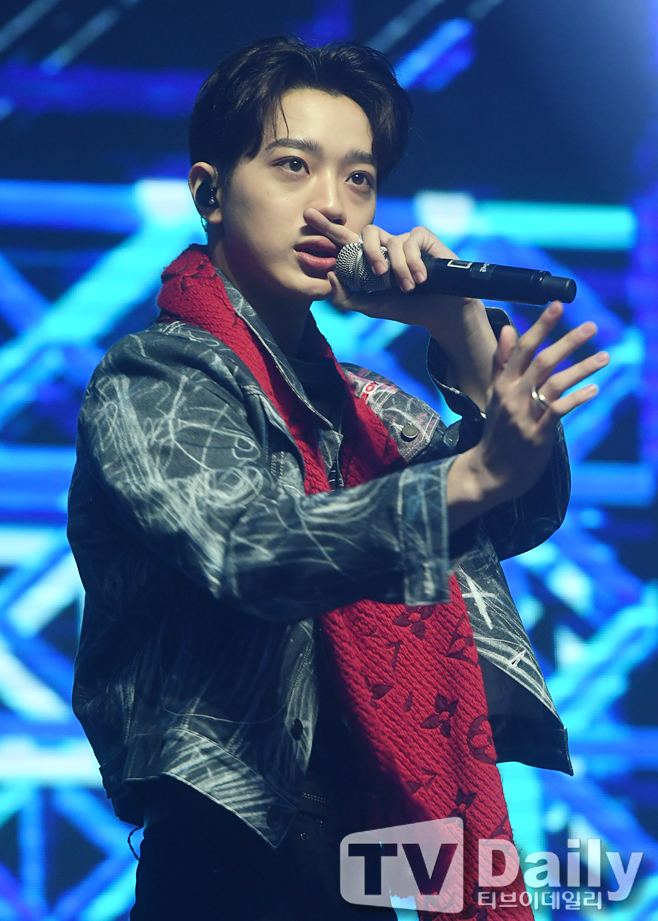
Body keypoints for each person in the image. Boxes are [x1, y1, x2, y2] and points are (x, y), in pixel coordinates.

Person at [67, 36, 608, 921]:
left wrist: (460, 327)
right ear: (210, 192)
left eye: (359, 179)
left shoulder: (366, 405)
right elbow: (251, 548)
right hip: (229, 854)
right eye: (294, 165)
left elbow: (513, 515)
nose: (332, 205)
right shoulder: (155, 375)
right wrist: (472, 476)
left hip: (368, 849)